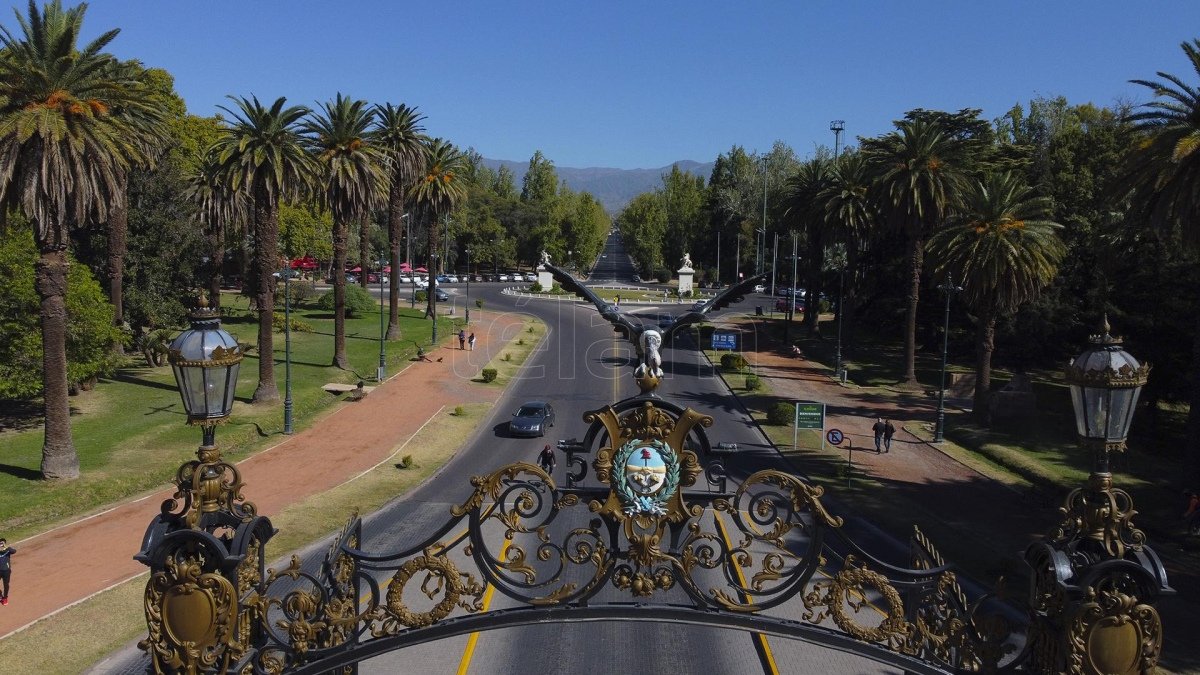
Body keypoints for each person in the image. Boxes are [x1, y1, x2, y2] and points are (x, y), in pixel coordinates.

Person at [0, 537, 15, 605]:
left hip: (6, 571)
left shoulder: (8, 550)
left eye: (2, 543)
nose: (1, 544)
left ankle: (5, 598)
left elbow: (14, 551)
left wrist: (6, 547)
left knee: (6, 585)